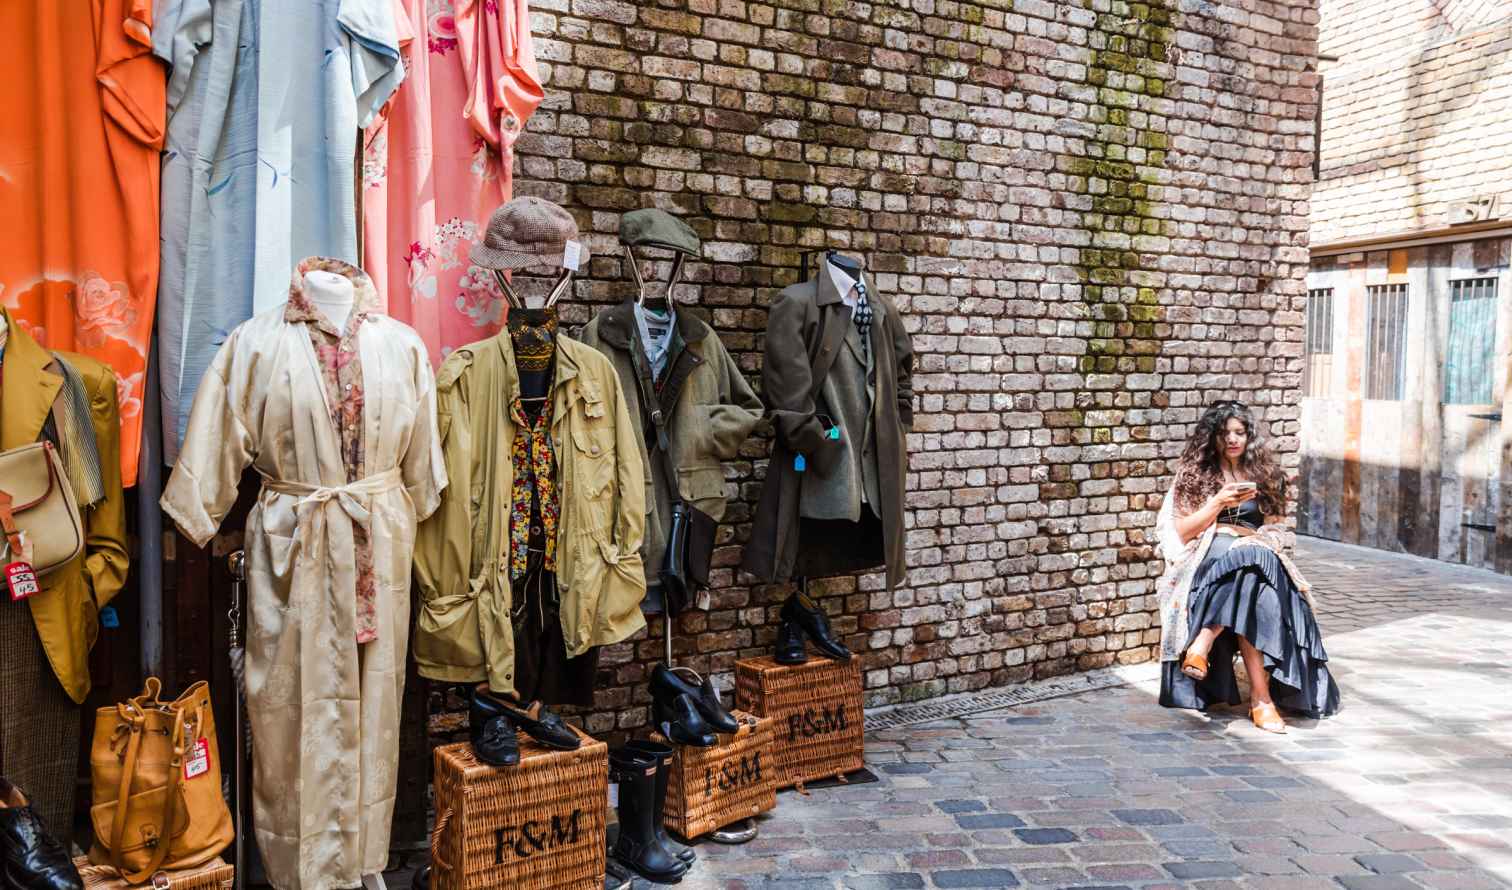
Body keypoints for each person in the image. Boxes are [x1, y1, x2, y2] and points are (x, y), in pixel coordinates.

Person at [1154, 400, 1340, 732]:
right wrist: (1218, 503)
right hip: (1211, 555)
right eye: (1224, 433)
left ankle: (1204, 641)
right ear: (1211, 437)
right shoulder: (1195, 475)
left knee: (1253, 560)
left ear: (1249, 435)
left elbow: (1277, 529)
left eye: (1239, 432)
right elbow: (1184, 532)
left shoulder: (1266, 475)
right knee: (1251, 571)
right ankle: (1261, 700)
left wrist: (1257, 539)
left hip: (1256, 553)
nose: (1232, 440)